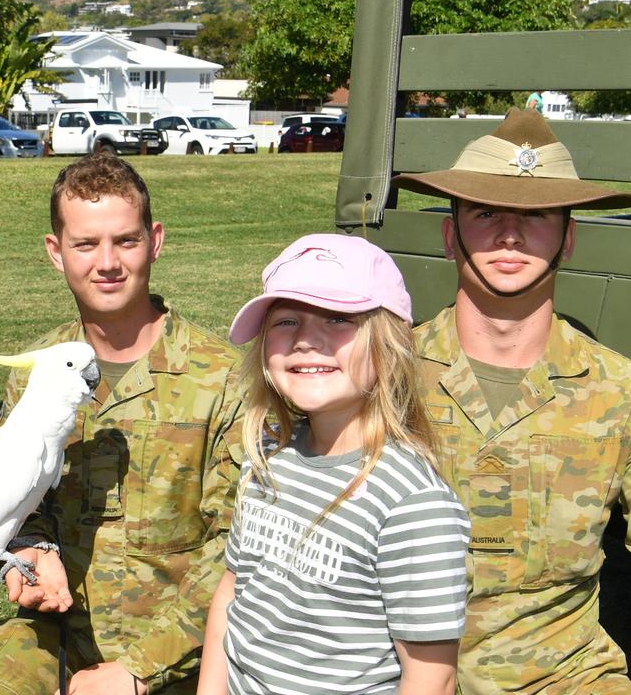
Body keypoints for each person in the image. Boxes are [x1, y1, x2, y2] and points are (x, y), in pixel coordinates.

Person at [391, 107, 631, 694]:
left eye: (537, 216)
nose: (509, 234)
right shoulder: (384, 377)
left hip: (562, 681)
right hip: (393, 677)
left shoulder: (624, 394)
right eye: (485, 212)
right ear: (451, 235)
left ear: (568, 238)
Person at [0, 153, 245, 695]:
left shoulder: (224, 379)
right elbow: (5, 502)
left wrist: (136, 671)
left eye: (125, 241)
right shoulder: (35, 372)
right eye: (86, 244)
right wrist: (28, 555)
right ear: (56, 253)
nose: (107, 262)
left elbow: (240, 550)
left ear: (155, 241)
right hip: (60, 635)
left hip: (183, 657)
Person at [196, 234, 470, 695]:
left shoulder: (411, 502)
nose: (306, 339)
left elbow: (431, 677)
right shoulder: (268, 457)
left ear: (389, 344)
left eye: (338, 318)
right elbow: (233, 593)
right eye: (286, 321)